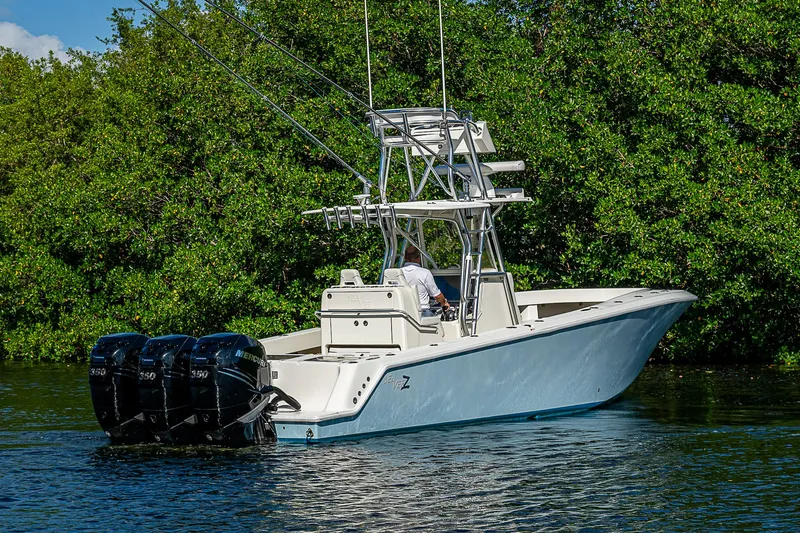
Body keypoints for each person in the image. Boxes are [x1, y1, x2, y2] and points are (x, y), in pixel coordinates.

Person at [401, 245, 450, 317]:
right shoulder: (424, 273)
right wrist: (444, 303)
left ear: (405, 258)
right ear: (419, 258)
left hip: (402, 312)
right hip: (421, 312)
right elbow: (437, 296)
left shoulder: (397, 273)